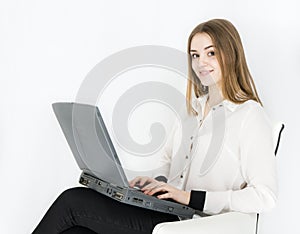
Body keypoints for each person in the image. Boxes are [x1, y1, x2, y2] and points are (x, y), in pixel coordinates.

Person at [32, 18, 277, 234]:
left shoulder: (249, 115)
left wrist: (191, 198)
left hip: (195, 223)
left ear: (231, 54)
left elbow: (265, 197)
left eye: (211, 53)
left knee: (73, 202)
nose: (201, 62)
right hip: (169, 212)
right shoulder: (190, 111)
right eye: (195, 55)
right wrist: (154, 184)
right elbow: (168, 164)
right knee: (77, 229)